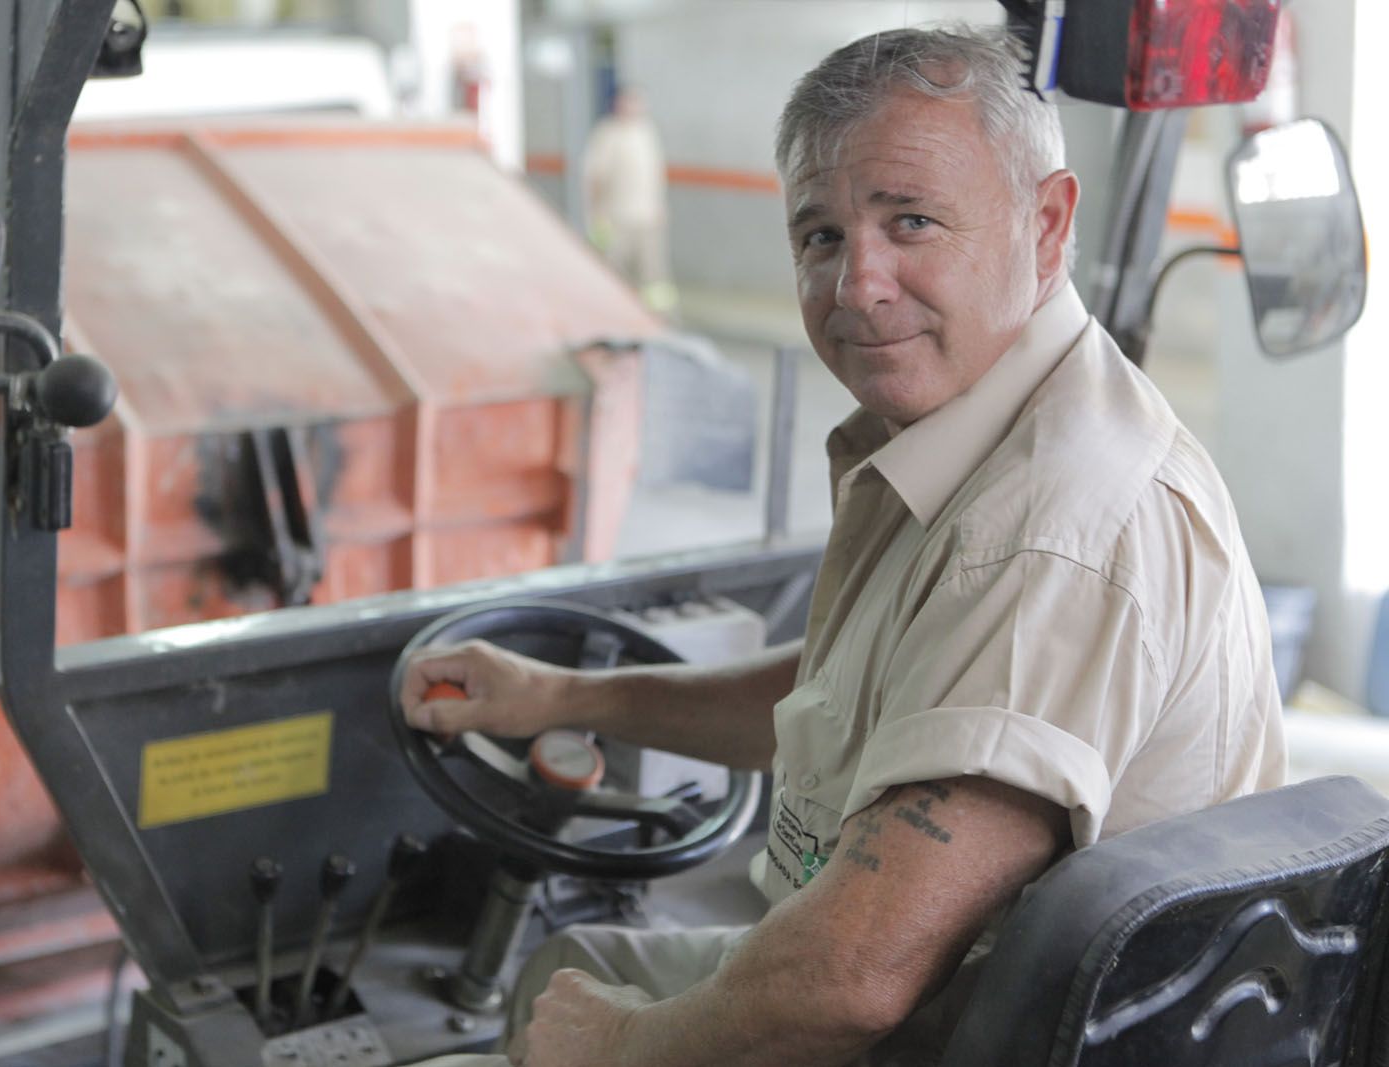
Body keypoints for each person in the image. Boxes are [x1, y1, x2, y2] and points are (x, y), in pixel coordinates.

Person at [405, 26, 1286, 1067]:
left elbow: (856, 975)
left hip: (973, 1034)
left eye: (911, 222)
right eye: (821, 236)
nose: (856, 285)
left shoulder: (1051, 531)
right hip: (956, 992)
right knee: (573, 961)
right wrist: (557, 697)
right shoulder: (980, 430)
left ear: (1045, 224)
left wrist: (624, 1044)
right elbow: (846, 696)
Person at [584, 84, 677, 315]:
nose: (633, 107)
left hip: (647, 217)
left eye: (637, 101)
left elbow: (655, 175)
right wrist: (597, 215)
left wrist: (660, 207)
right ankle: (612, 316)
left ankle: (660, 319)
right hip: (616, 218)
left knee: (654, 276)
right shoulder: (607, 134)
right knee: (614, 271)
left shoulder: (647, 132)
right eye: (628, 101)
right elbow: (596, 178)